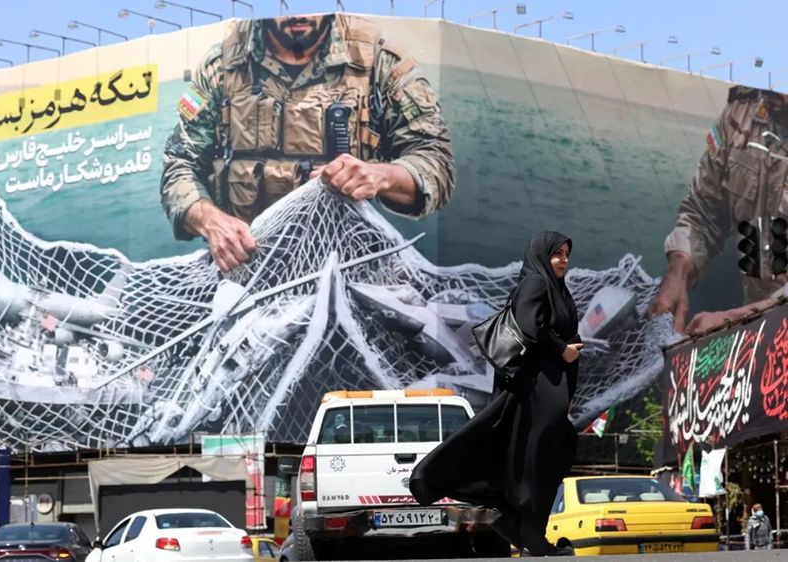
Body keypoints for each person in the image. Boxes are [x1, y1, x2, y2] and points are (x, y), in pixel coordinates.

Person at [160, 14, 455, 272]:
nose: (299, 13)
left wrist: (382, 175)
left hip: (350, 267)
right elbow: (179, 164)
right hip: (246, 270)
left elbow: (436, 159)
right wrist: (209, 220)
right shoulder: (220, 67)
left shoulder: (380, 62)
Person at [410, 232, 583, 557]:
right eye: (557, 254)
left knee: (545, 451)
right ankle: (526, 528)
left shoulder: (557, 288)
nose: (563, 260)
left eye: (566, 254)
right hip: (536, 386)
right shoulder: (535, 283)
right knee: (542, 454)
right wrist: (562, 349)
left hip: (550, 386)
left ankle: (518, 522)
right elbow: (531, 326)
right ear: (542, 255)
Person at [649, 86, 788, 335]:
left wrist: (739, 318)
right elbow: (703, 212)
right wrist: (679, 268)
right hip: (754, 331)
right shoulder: (742, 113)